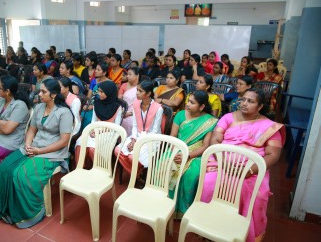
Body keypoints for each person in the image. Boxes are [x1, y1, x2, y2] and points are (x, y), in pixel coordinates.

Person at [201, 88, 285, 242]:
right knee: (208, 184)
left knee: (256, 194)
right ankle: (210, 227)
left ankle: (242, 233)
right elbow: (216, 139)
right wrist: (223, 160)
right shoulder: (228, 117)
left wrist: (251, 170)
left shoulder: (269, 127)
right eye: (243, 99)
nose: (244, 103)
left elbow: (273, 155)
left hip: (252, 168)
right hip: (223, 161)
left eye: (250, 101)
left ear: (260, 107)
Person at [0, 79, 73, 228]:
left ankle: (30, 214)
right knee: (5, 166)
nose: (40, 94)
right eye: (40, 91)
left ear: (54, 94)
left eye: (44, 92)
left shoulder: (64, 113)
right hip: (34, 146)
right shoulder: (39, 107)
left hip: (52, 153)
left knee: (22, 174)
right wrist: (28, 144)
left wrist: (39, 151)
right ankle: (8, 209)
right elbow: (32, 129)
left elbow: (64, 141)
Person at [169, 90, 218, 219]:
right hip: (177, 149)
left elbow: (205, 145)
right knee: (162, 165)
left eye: (192, 102)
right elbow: (173, 136)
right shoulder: (180, 115)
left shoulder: (209, 121)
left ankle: (183, 211)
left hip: (195, 154)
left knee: (190, 175)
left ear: (202, 106)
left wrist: (188, 155)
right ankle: (166, 204)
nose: (188, 104)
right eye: (188, 101)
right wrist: (176, 152)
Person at [116, 80, 163, 175]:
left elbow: (154, 131)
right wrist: (133, 140)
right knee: (117, 150)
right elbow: (135, 125)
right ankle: (137, 174)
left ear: (149, 93)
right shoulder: (136, 104)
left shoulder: (158, 108)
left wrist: (138, 142)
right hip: (136, 136)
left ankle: (135, 174)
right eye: (137, 90)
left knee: (132, 157)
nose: (137, 93)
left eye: (140, 91)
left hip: (151, 139)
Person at [75, 81, 126, 167]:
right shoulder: (97, 103)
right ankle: (80, 168)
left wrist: (101, 131)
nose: (99, 94)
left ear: (109, 93)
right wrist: (91, 130)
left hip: (110, 133)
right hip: (95, 129)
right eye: (99, 91)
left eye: (102, 92)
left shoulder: (117, 107)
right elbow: (93, 121)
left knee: (93, 148)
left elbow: (116, 127)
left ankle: (99, 169)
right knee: (80, 143)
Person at [81, 63, 111, 130]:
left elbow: (108, 100)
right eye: (96, 69)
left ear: (104, 72)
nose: (96, 71)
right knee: (83, 115)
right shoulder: (94, 81)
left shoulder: (109, 84)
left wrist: (93, 106)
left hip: (102, 107)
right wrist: (87, 104)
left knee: (89, 118)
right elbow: (89, 96)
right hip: (91, 104)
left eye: (98, 70)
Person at [118, 66, 139, 136]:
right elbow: (119, 100)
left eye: (130, 74)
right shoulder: (124, 85)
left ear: (137, 76)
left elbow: (142, 105)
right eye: (127, 74)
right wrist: (123, 112)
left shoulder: (141, 88)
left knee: (131, 122)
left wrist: (130, 113)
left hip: (135, 113)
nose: (127, 76)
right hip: (123, 111)